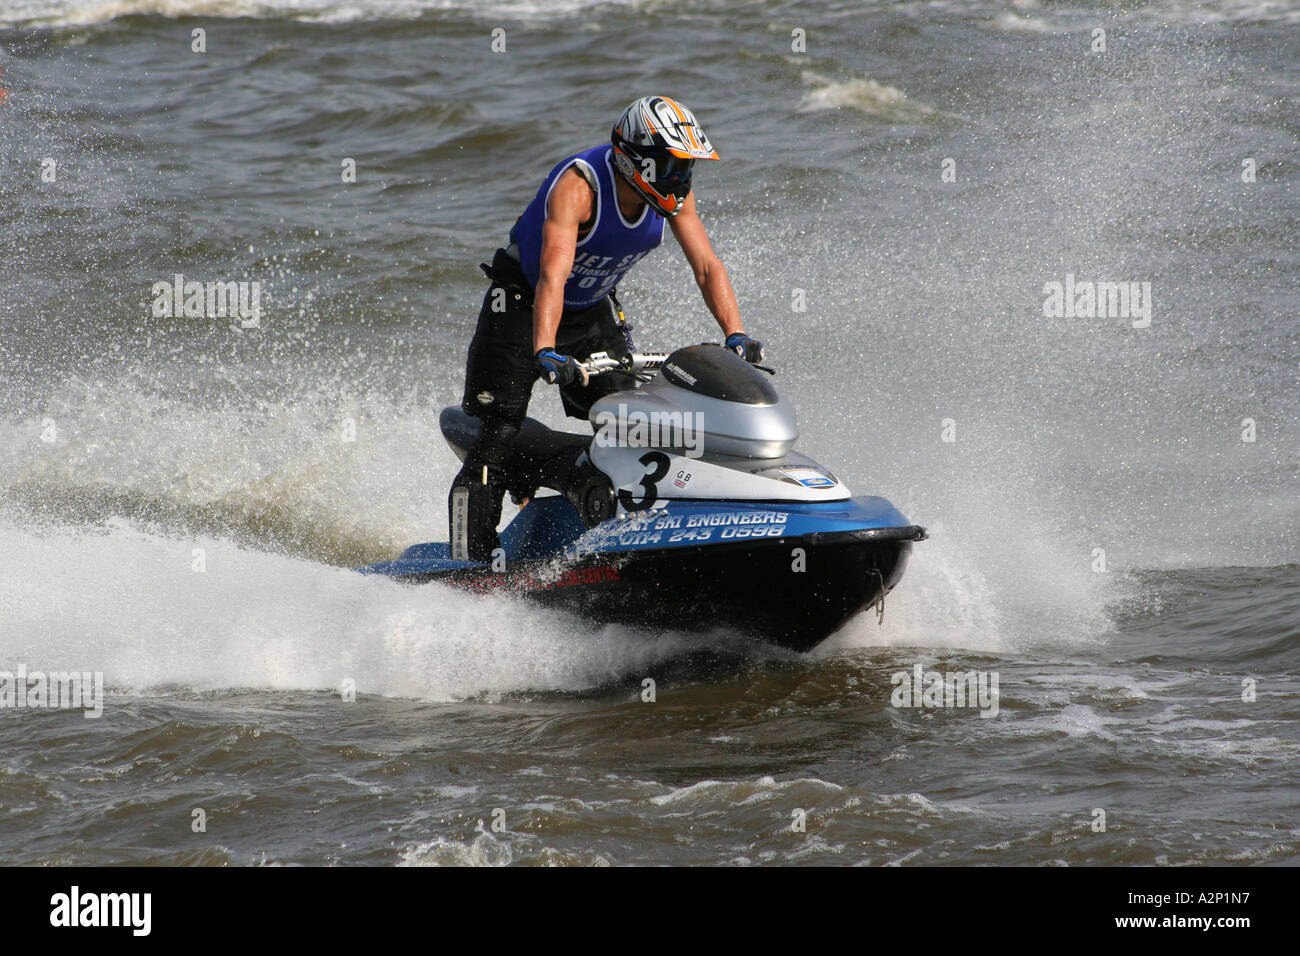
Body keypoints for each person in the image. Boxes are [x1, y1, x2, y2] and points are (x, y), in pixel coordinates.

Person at [449, 95, 765, 562]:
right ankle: (472, 560)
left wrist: (735, 334)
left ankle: (622, 532)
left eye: (685, 168)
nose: (680, 179)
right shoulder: (579, 188)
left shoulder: (673, 193)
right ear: (633, 161)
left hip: (592, 305)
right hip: (521, 303)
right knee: (496, 432)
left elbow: (706, 265)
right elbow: (552, 277)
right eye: (671, 166)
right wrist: (545, 351)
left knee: (630, 425)